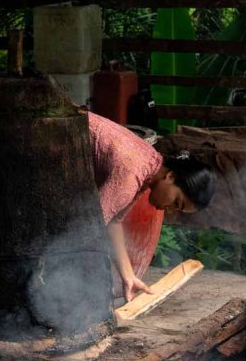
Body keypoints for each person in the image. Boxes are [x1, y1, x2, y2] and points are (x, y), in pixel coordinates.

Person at [87, 112, 216, 302]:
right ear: (170, 177)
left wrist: (129, 276)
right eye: (176, 202)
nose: (169, 209)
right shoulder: (132, 174)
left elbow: (113, 221)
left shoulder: (150, 163)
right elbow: (90, 227)